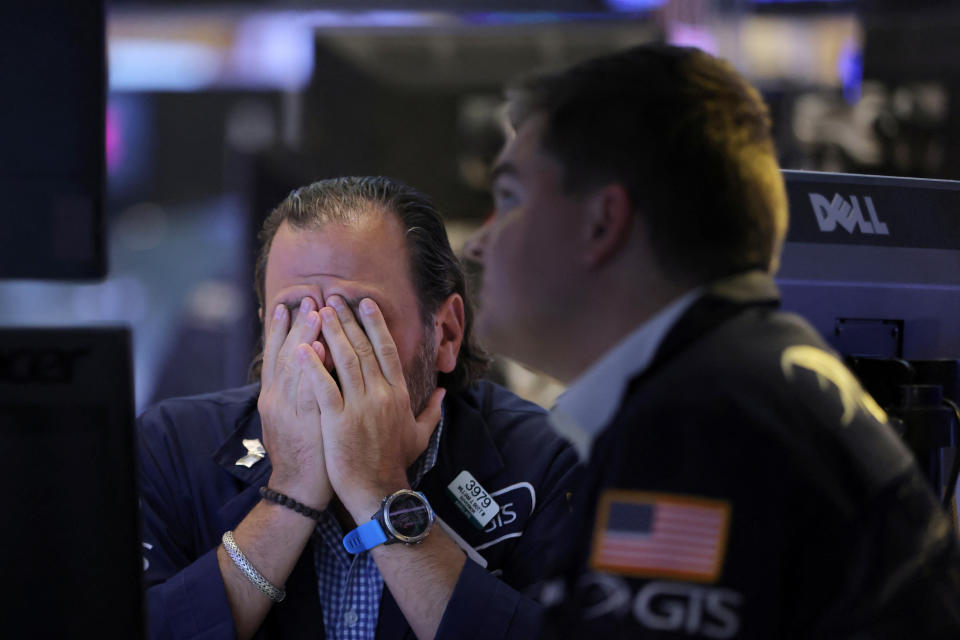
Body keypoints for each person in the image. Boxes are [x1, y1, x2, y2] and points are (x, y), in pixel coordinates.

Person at [463, 44, 960, 638]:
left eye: (511, 199)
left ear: (601, 224)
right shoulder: (741, 382)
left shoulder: (694, 425)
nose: (477, 244)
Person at [138, 176, 580, 639]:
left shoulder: (547, 459)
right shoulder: (168, 445)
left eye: (358, 316)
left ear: (445, 333)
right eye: (294, 318)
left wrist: (381, 494)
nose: (324, 352)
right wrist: (289, 495)